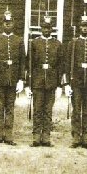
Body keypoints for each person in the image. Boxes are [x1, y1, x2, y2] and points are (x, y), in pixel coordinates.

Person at [63, 12, 87, 149]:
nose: (84, 28)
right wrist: (66, 83)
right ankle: (75, 138)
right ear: (79, 27)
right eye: (82, 26)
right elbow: (67, 64)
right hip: (76, 82)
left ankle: (86, 139)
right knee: (76, 111)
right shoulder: (73, 44)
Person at [0, 8, 26, 145]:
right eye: (5, 23)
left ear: (13, 24)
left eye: (10, 23)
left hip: (13, 79)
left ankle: (9, 136)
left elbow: (23, 60)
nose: (8, 25)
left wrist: (21, 79)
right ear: (2, 24)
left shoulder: (19, 40)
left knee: (10, 108)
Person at [28, 16, 64, 147]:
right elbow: (30, 64)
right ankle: (36, 137)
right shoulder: (34, 43)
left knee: (48, 110)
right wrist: (28, 84)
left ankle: (46, 137)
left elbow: (61, 65)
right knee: (37, 110)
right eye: (44, 28)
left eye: (48, 28)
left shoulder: (57, 44)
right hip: (37, 81)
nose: (46, 30)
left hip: (51, 82)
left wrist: (60, 85)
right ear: (41, 29)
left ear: (52, 29)